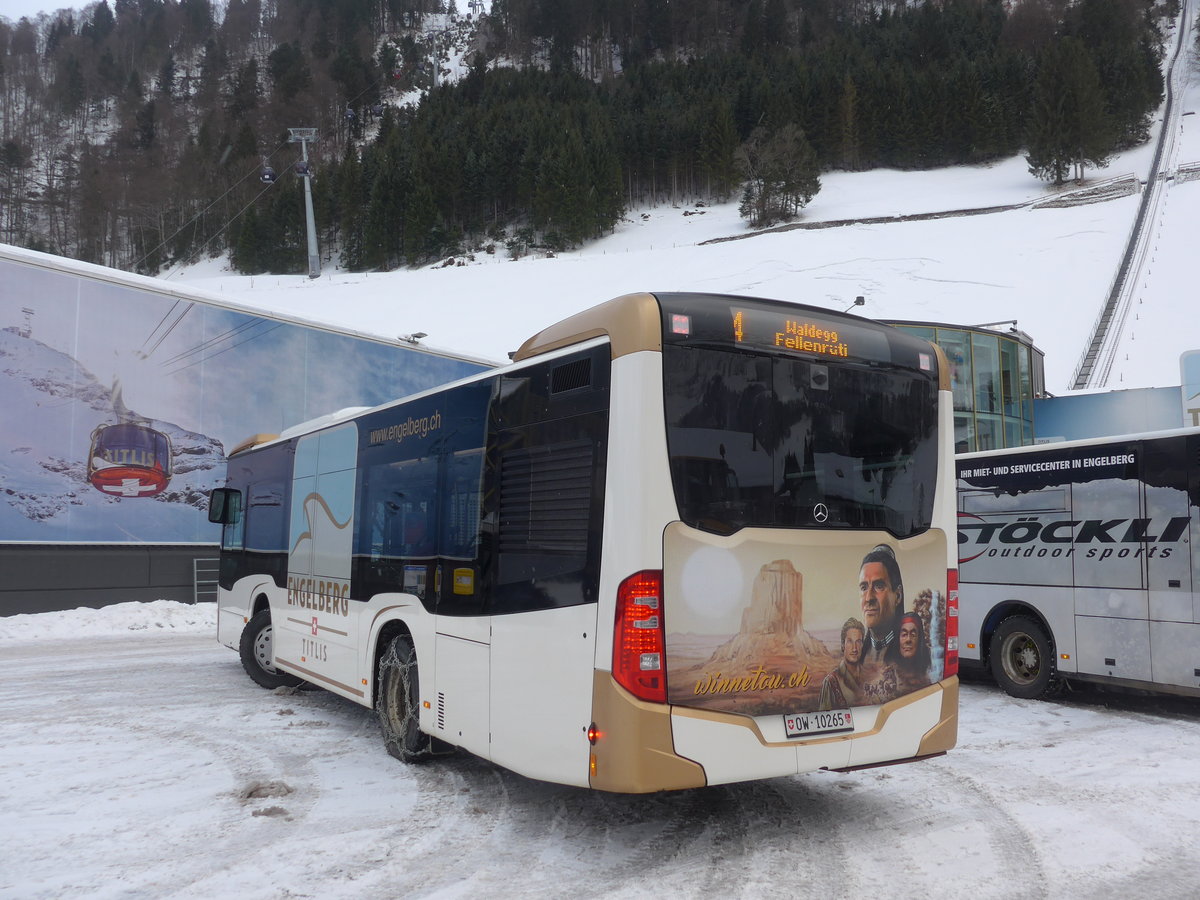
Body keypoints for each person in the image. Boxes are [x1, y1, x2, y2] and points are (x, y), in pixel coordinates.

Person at [858, 544, 904, 664]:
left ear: (897, 596)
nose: (868, 598)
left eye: (879, 586)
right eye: (864, 588)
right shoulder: (857, 657)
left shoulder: (912, 658)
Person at [818, 617, 865, 711]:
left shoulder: (869, 676)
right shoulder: (831, 682)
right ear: (843, 645)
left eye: (858, 642)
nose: (854, 648)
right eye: (850, 641)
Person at [888, 611, 932, 693]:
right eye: (904, 634)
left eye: (913, 635)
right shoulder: (889, 674)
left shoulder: (930, 673)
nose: (908, 640)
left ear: (919, 640)